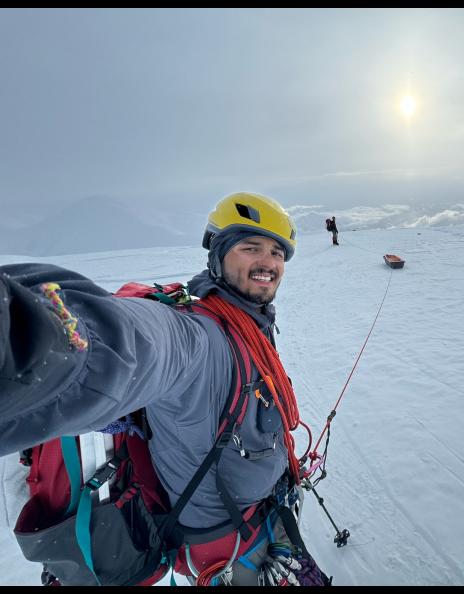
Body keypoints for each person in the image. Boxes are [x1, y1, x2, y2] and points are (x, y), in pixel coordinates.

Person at [0, 192, 328, 586]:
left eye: (277, 253)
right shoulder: (198, 337)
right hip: (229, 547)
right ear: (219, 255)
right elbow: (121, 342)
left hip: (266, 515)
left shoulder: (250, 325)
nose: (268, 263)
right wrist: (30, 336)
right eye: (250, 247)